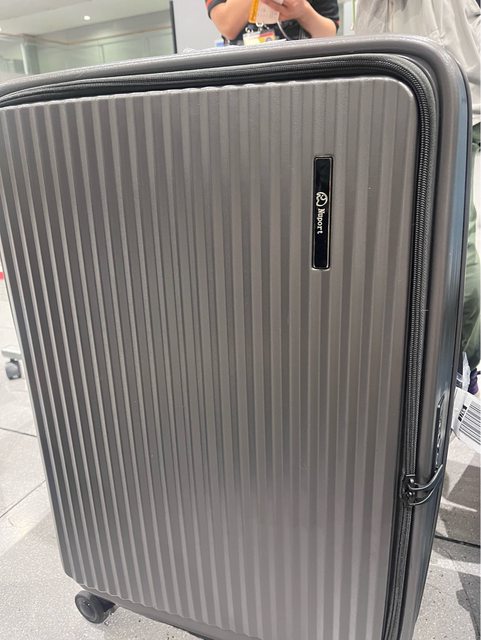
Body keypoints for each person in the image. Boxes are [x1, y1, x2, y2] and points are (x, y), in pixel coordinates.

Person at [355, 0, 481, 395]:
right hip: (386, 92)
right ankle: (430, 371)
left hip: (443, 90)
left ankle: (461, 368)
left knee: (452, 246)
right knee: (395, 242)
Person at [205, 0, 339, 45]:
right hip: (244, 74)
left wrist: (303, 12)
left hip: (300, 71)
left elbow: (329, 34)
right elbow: (227, 26)